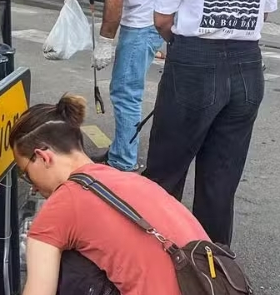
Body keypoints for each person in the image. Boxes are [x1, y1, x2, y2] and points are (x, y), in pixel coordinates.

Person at [142, 0, 277, 247]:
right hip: (247, 69)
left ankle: (156, 261)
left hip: (194, 64)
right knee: (221, 182)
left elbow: (162, 19)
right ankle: (212, 270)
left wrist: (180, 48)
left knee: (165, 174)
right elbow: (264, 11)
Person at [11, 93, 210, 295]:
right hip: (215, 284)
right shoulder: (131, 181)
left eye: (26, 173)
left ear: (43, 157)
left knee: (70, 264)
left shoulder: (62, 204)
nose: (34, 187)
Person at [44, 0, 163, 173]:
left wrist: (106, 41)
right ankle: (123, 150)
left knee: (124, 89)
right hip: (152, 7)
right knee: (125, 88)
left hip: (145, 15)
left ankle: (124, 162)